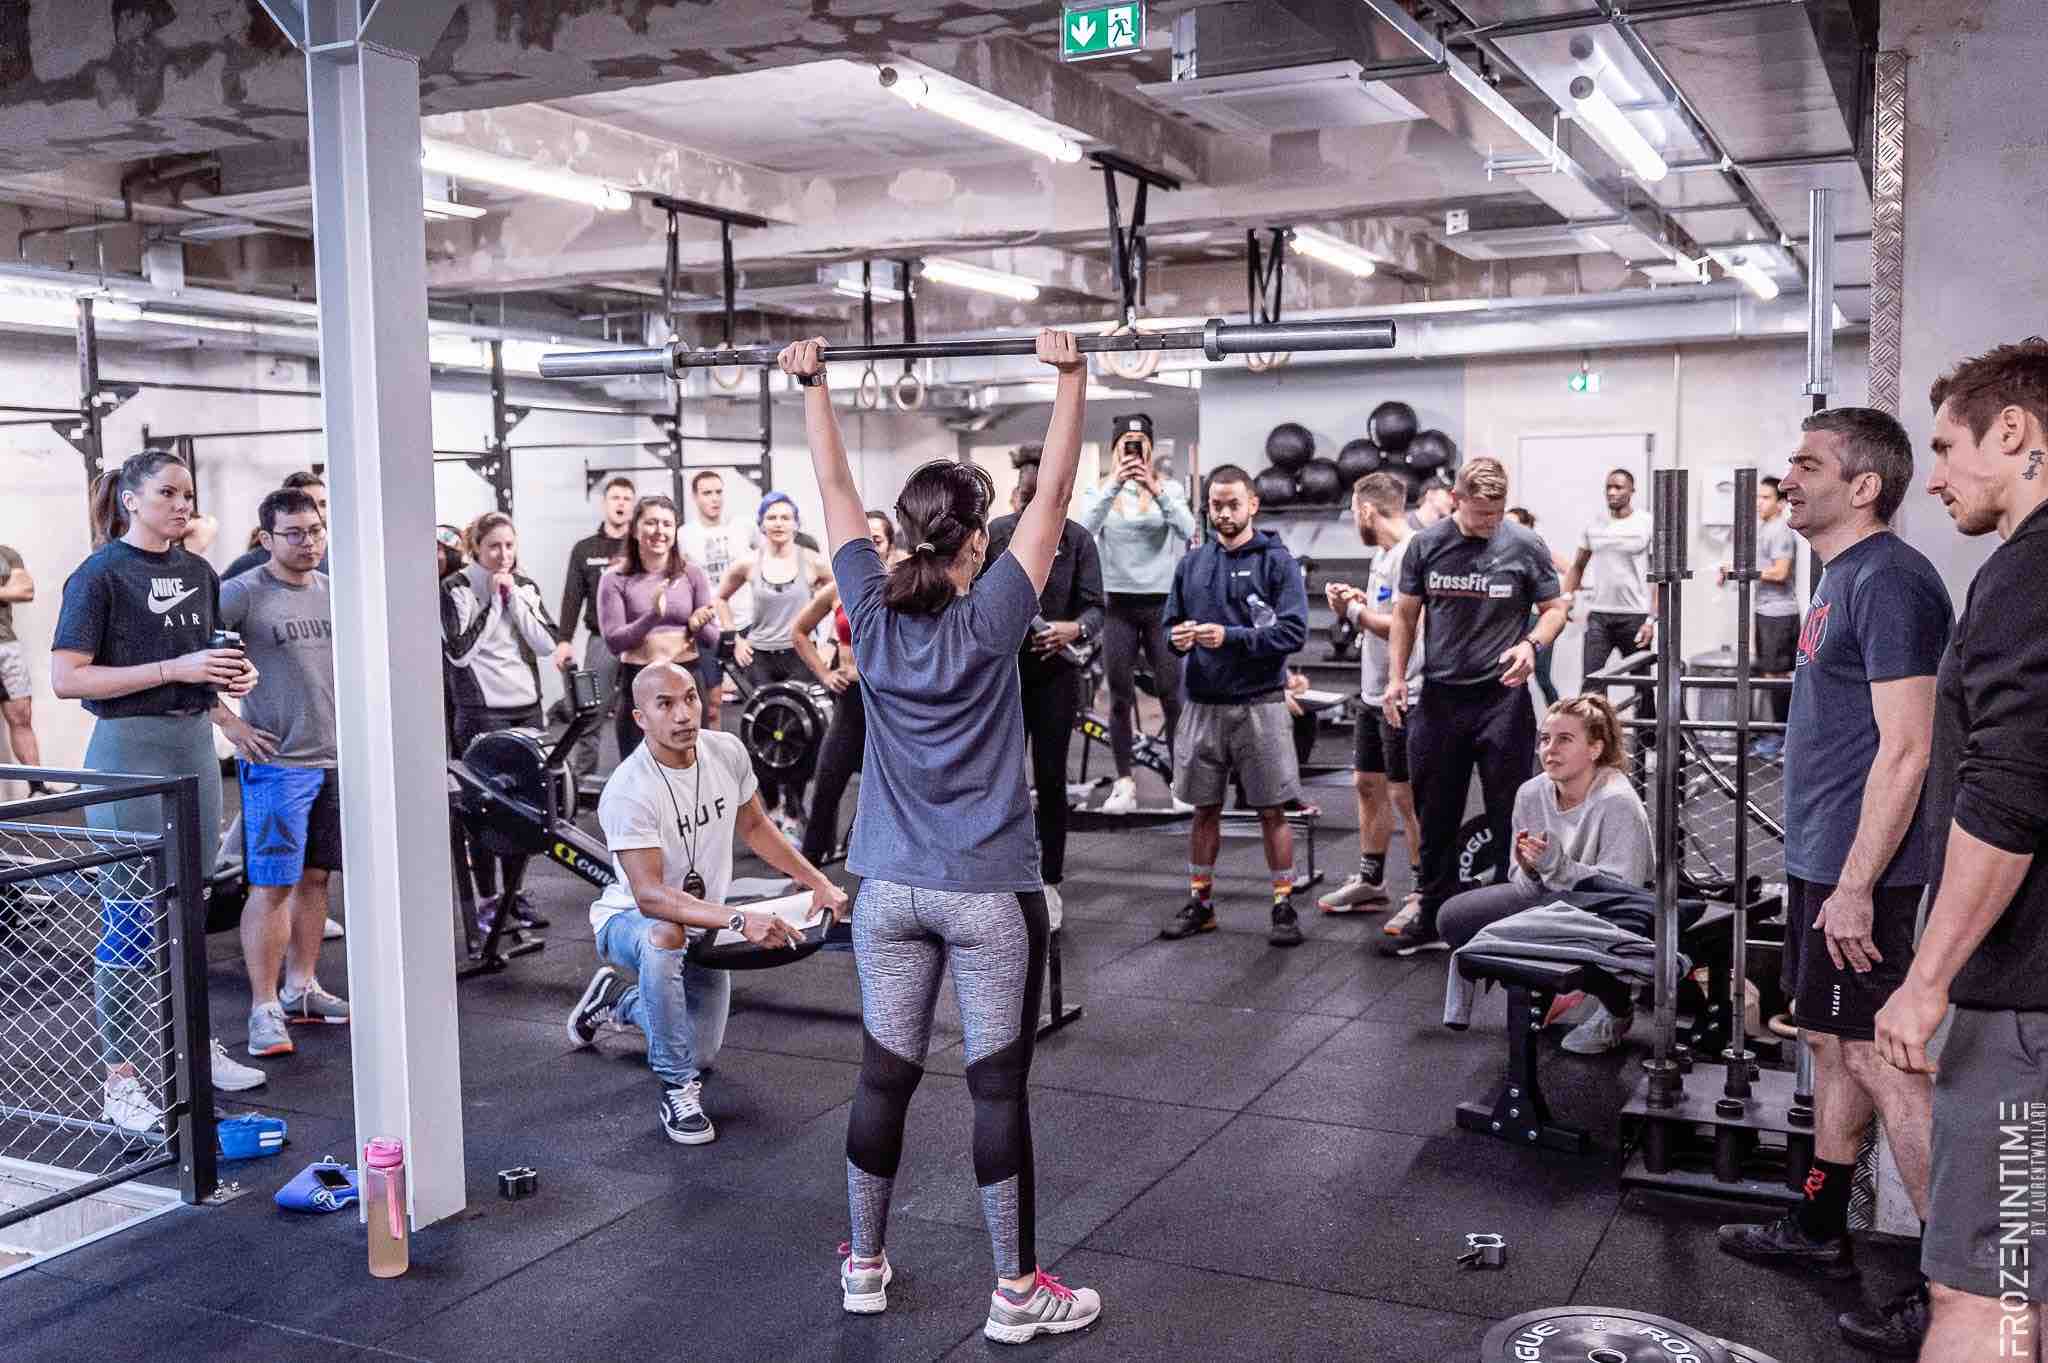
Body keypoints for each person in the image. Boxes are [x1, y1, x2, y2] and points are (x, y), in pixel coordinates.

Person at [781, 330, 1104, 1342]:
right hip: (983, 894)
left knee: (884, 1075)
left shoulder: (868, 617)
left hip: (886, 890)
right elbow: (1049, 499)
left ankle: (864, 1267)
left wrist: (815, 385)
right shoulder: (997, 612)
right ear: (975, 545)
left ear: (905, 538)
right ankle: (1013, 1295)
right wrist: (1070, 376)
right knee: (994, 1084)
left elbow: (832, 488)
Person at [1715, 409, 1951, 1358]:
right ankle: (1818, 1223)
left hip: (1866, 873)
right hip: (1825, 859)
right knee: (1829, 1039)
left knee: (1883, 1061)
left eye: (1807, 465)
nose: (1788, 478)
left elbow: (1910, 748)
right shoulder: (1840, 577)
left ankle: (1955, 1288)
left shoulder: (1891, 581)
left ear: (1863, 486)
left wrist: (1856, 885)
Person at [1876, 339, 2048, 1362]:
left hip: (2021, 1008)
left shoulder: (2026, 573)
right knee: (2029, 1276)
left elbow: (2010, 789)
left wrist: (1927, 975)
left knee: (1983, 1294)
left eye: (1945, 446)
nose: (1931, 475)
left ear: (2014, 432)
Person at [52, 450, 269, 1130]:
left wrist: (230, 702)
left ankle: (193, 1047)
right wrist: (176, 663)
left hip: (190, 749)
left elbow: (204, 669)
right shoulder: (99, 575)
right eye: (170, 493)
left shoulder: (198, 572)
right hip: (128, 751)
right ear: (131, 501)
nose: (184, 505)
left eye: (189, 494)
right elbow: (68, 677)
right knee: (129, 918)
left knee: (190, 912)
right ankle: (119, 1080)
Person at [567, 661, 846, 1144]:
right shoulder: (629, 790)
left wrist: (816, 880)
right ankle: (677, 1088)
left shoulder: (726, 751)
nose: (683, 714)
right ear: (640, 719)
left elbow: (757, 827)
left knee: (701, 1050)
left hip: (706, 917)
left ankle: (615, 999)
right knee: (665, 937)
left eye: (690, 698)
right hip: (630, 919)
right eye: (666, 704)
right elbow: (651, 897)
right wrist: (741, 919)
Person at [1382, 457, 1568, 957]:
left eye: (1497, 513)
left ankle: (1516, 915)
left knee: (1514, 811)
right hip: (1440, 698)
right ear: (1457, 499)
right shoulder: (1426, 545)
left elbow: (1555, 610)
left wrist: (1532, 645)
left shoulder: (1524, 545)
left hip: (1501, 700)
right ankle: (1434, 912)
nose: (1489, 523)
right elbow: (1403, 615)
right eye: (1481, 513)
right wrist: (1396, 678)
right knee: (1435, 813)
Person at [213, 488, 351, 1061]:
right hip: (278, 764)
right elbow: (189, 655)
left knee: (316, 880)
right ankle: (263, 1006)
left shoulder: (333, 591)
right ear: (266, 539)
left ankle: (302, 987)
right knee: (271, 885)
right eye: (293, 533)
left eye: (315, 530)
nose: (308, 542)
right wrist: (227, 722)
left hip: (336, 759)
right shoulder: (240, 595)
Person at [1436, 694, 1653, 1053]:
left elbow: (1622, 893)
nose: (1549, 750)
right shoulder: (1531, 794)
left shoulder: (1618, 801)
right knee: (1453, 918)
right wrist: (1529, 870)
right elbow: (1522, 884)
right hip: (1550, 897)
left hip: (1609, 912)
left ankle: (1617, 1009)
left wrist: (1556, 867)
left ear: (1595, 749)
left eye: (1565, 740)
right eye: (1545, 739)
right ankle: (1537, 989)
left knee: (1601, 935)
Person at [1156, 464, 1312, 948]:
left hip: (1260, 704)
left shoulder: (1276, 562)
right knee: (1204, 810)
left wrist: (1230, 637)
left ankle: (1283, 905)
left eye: (1233, 504)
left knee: (1272, 811)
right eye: (1216, 504)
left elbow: (1293, 632)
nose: (1224, 513)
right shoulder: (1192, 564)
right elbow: (1169, 627)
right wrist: (1179, 640)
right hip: (1202, 704)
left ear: (1252, 505)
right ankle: (1201, 903)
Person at [985, 457, 1105, 932]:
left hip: (1056, 675)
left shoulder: (1077, 540)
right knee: (1000, 779)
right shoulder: (995, 534)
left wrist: (1070, 629)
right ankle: (1000, 878)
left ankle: (1049, 881)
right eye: (1025, 496)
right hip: (1002, 675)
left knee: (1050, 780)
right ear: (1017, 496)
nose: (1033, 504)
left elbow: (1097, 608)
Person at [441, 511, 575, 922]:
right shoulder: (455, 589)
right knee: (484, 810)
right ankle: (486, 899)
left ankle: (515, 894)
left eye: (510, 546)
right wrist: (492, 604)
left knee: (525, 810)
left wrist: (513, 598)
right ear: (476, 550)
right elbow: (460, 653)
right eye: (494, 547)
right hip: (482, 713)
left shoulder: (525, 586)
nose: (503, 555)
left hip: (525, 707)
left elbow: (546, 643)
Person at [1078, 413, 1197, 815]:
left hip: (1161, 604)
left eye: (1139, 446)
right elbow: (1083, 529)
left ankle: (1181, 781)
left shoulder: (1171, 489)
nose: (1133, 453)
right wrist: (1115, 485)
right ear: (1116, 450)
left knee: (1171, 694)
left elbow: (1187, 530)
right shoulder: (1101, 492)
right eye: (1126, 446)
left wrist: (1154, 488)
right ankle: (1124, 782)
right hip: (1117, 606)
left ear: (1149, 449)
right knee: (1118, 697)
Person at [1320, 472, 1425, 918]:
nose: (1353, 522)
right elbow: (1388, 613)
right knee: (1367, 785)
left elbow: (1410, 625)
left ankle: (1425, 891)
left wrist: (1353, 611)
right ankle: (1371, 880)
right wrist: (1361, 601)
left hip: (1407, 693)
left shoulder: (1412, 553)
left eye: (1353, 514)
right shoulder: (1383, 554)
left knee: (1406, 796)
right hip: (1372, 691)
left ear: (1366, 510)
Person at [717, 492, 832, 835]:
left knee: (799, 737)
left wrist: (826, 642)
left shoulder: (812, 562)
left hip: (799, 657)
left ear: (796, 523)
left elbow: (838, 597)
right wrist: (734, 637)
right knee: (761, 737)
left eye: (785, 517)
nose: (779, 524)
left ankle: (795, 808)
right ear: (762, 524)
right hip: (761, 659)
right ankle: (771, 808)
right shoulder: (748, 564)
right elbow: (720, 598)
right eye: (772, 518)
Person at [792, 511, 902, 867]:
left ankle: (878, 869)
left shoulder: (904, 585)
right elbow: (799, 631)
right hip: (850, 699)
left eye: (878, 540)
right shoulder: (839, 586)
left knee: (887, 793)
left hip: (889, 703)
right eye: (863, 540)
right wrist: (825, 674)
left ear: (889, 545)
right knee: (826, 783)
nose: (870, 547)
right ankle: (808, 871)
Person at [598, 495, 720, 764]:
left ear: (675, 530)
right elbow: (614, 641)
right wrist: (653, 615)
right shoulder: (614, 579)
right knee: (640, 769)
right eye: (651, 523)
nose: (659, 531)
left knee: (692, 765)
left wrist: (698, 625)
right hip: (640, 681)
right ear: (635, 529)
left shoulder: (692, 574)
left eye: (666, 524)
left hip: (687, 676)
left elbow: (712, 639)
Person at [558, 476, 636, 786]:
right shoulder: (585, 549)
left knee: (639, 713)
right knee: (589, 711)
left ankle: (641, 782)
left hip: (639, 641)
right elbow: (571, 597)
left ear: (633, 505)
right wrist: (564, 641)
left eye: (627, 498)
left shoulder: (642, 547)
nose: (620, 503)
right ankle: (582, 782)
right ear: (605, 504)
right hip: (601, 640)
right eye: (615, 497)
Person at [1563, 469, 1655, 719]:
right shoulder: (1595, 524)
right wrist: (1566, 600)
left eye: (1619, 487)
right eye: (1608, 487)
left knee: (1643, 685)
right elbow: (1577, 566)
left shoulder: (1646, 523)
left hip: (1635, 616)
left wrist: (1651, 619)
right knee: (1591, 683)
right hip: (1600, 616)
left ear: (1631, 491)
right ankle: (1591, 742)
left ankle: (1647, 745)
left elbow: (1658, 575)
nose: (1612, 492)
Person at [1719, 475, 1800, 758]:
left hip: (1779, 614)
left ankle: (1785, 739)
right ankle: (1778, 736)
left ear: (1781, 503)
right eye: (1757, 497)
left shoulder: (1780, 530)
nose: (1758, 502)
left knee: (1776, 678)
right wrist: (1733, 569)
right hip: (1766, 612)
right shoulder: (1765, 528)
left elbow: (1780, 572)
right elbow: (1760, 566)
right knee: (1769, 674)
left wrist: (1742, 572)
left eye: (1765, 497)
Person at [677, 470, 758, 726]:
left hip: (745, 623)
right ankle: (716, 760)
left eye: (718, 492)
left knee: (760, 700)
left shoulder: (743, 527)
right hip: (708, 628)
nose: (714, 498)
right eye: (707, 493)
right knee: (711, 705)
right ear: (695, 497)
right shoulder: (684, 535)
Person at [1, 542, 65, 794]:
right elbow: (13, 590)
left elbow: (25, 590)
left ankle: (37, 787)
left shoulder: (5, 554)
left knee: (21, 715)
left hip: (5, 645)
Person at [1506, 507, 1568, 706]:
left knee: (1542, 676)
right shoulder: (1502, 552)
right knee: (1510, 675)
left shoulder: (1537, 550)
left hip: (1538, 621)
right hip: (1514, 620)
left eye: (1513, 523)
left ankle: (1558, 718)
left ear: (1527, 527)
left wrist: (1564, 600)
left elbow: (1570, 569)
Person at [225, 471, 331, 579]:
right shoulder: (255, 561)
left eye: (323, 504)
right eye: (308, 505)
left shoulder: (335, 556)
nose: (319, 512)